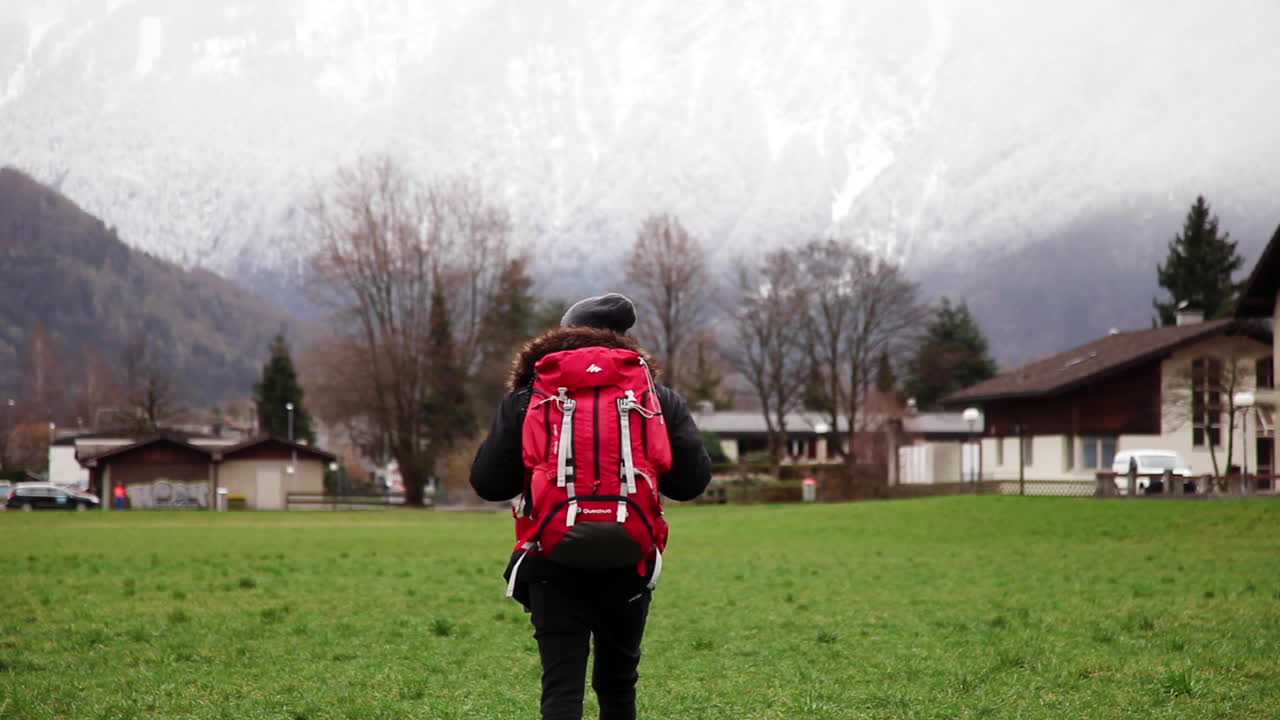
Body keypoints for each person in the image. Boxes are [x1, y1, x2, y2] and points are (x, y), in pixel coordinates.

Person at [471, 293, 711, 720]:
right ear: (624, 340)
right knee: (618, 685)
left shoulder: (529, 397)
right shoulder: (656, 398)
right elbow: (691, 482)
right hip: (629, 557)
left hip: (551, 558)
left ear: (562, 336)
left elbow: (489, 483)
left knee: (561, 688)